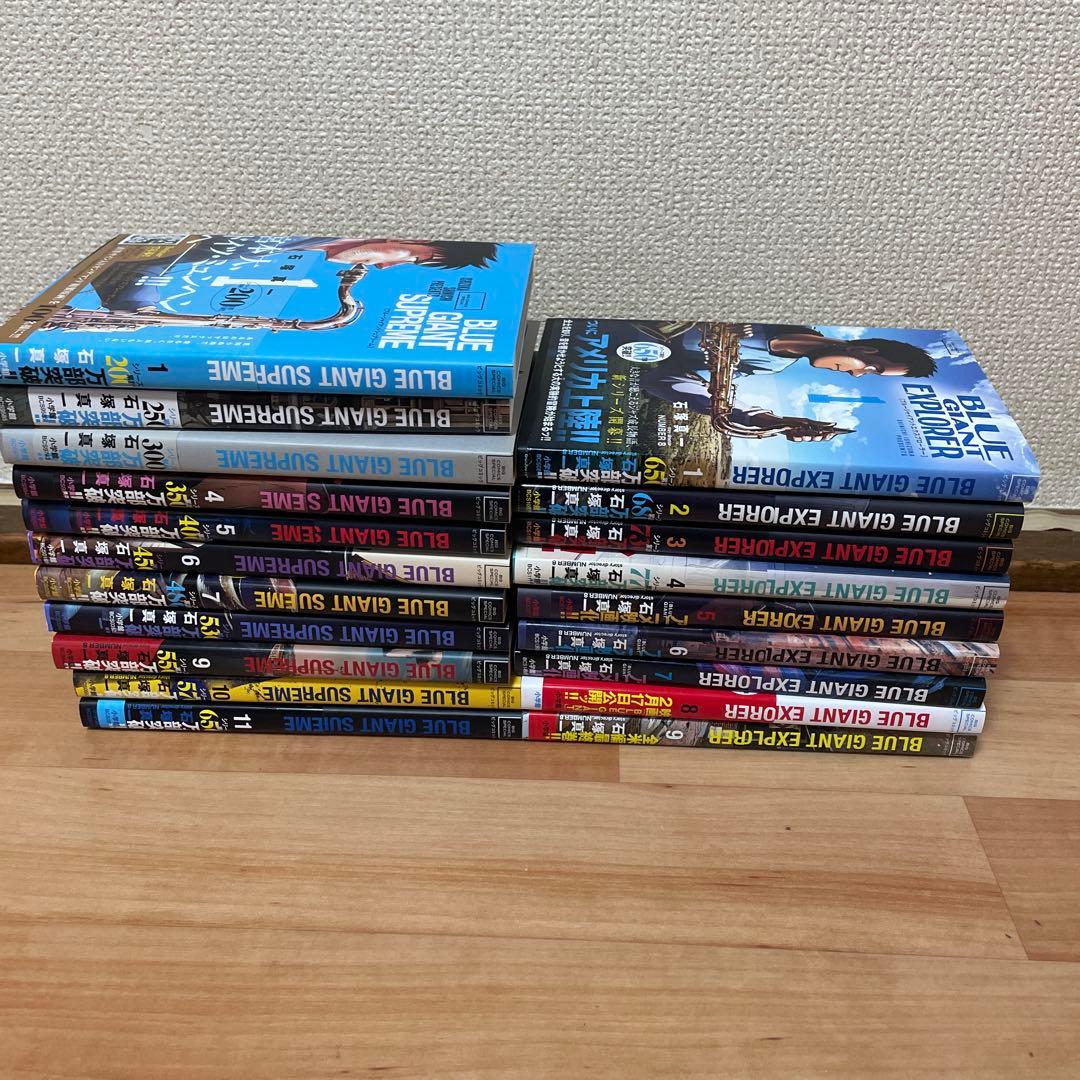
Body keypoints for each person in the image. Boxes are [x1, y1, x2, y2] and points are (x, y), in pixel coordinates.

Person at [635, 321, 937, 442]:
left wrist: (773, 422)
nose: (857, 374)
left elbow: (666, 380)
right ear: (866, 350)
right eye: (872, 368)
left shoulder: (771, 366)